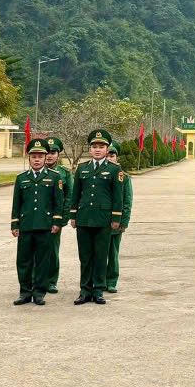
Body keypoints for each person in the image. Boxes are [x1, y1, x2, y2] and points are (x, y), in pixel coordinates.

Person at [68, 128, 126, 305]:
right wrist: (73, 214)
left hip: (103, 220)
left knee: (101, 256)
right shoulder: (82, 168)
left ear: (107, 149)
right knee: (85, 257)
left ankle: (99, 290)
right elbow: (76, 193)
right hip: (84, 218)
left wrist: (116, 219)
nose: (97, 149)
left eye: (101, 146)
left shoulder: (115, 170)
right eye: (94, 146)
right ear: (90, 149)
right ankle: (85, 290)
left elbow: (118, 197)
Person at [11, 138, 65, 305]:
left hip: (45, 226)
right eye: (34, 156)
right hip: (26, 225)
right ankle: (25, 292)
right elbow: (16, 203)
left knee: (42, 261)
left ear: (45, 158)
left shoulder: (55, 177)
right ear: (29, 158)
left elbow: (59, 202)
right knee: (24, 260)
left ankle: (39, 292)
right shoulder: (21, 178)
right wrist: (15, 223)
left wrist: (56, 222)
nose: (37, 159)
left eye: (40, 156)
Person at [41, 136, 73, 294]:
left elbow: (69, 197)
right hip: (38, 217)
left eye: (53, 152)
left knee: (53, 250)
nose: (49, 155)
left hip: (55, 218)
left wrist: (62, 218)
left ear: (58, 155)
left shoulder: (65, 173)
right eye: (47, 152)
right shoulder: (36, 170)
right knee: (36, 250)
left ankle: (52, 281)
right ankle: (37, 280)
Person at [105, 142, 132, 293]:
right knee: (99, 253)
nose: (109, 158)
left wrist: (124, 222)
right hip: (99, 221)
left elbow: (127, 201)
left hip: (115, 223)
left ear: (117, 157)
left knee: (112, 253)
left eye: (112, 155)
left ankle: (111, 281)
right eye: (107, 154)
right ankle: (100, 280)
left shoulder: (124, 178)